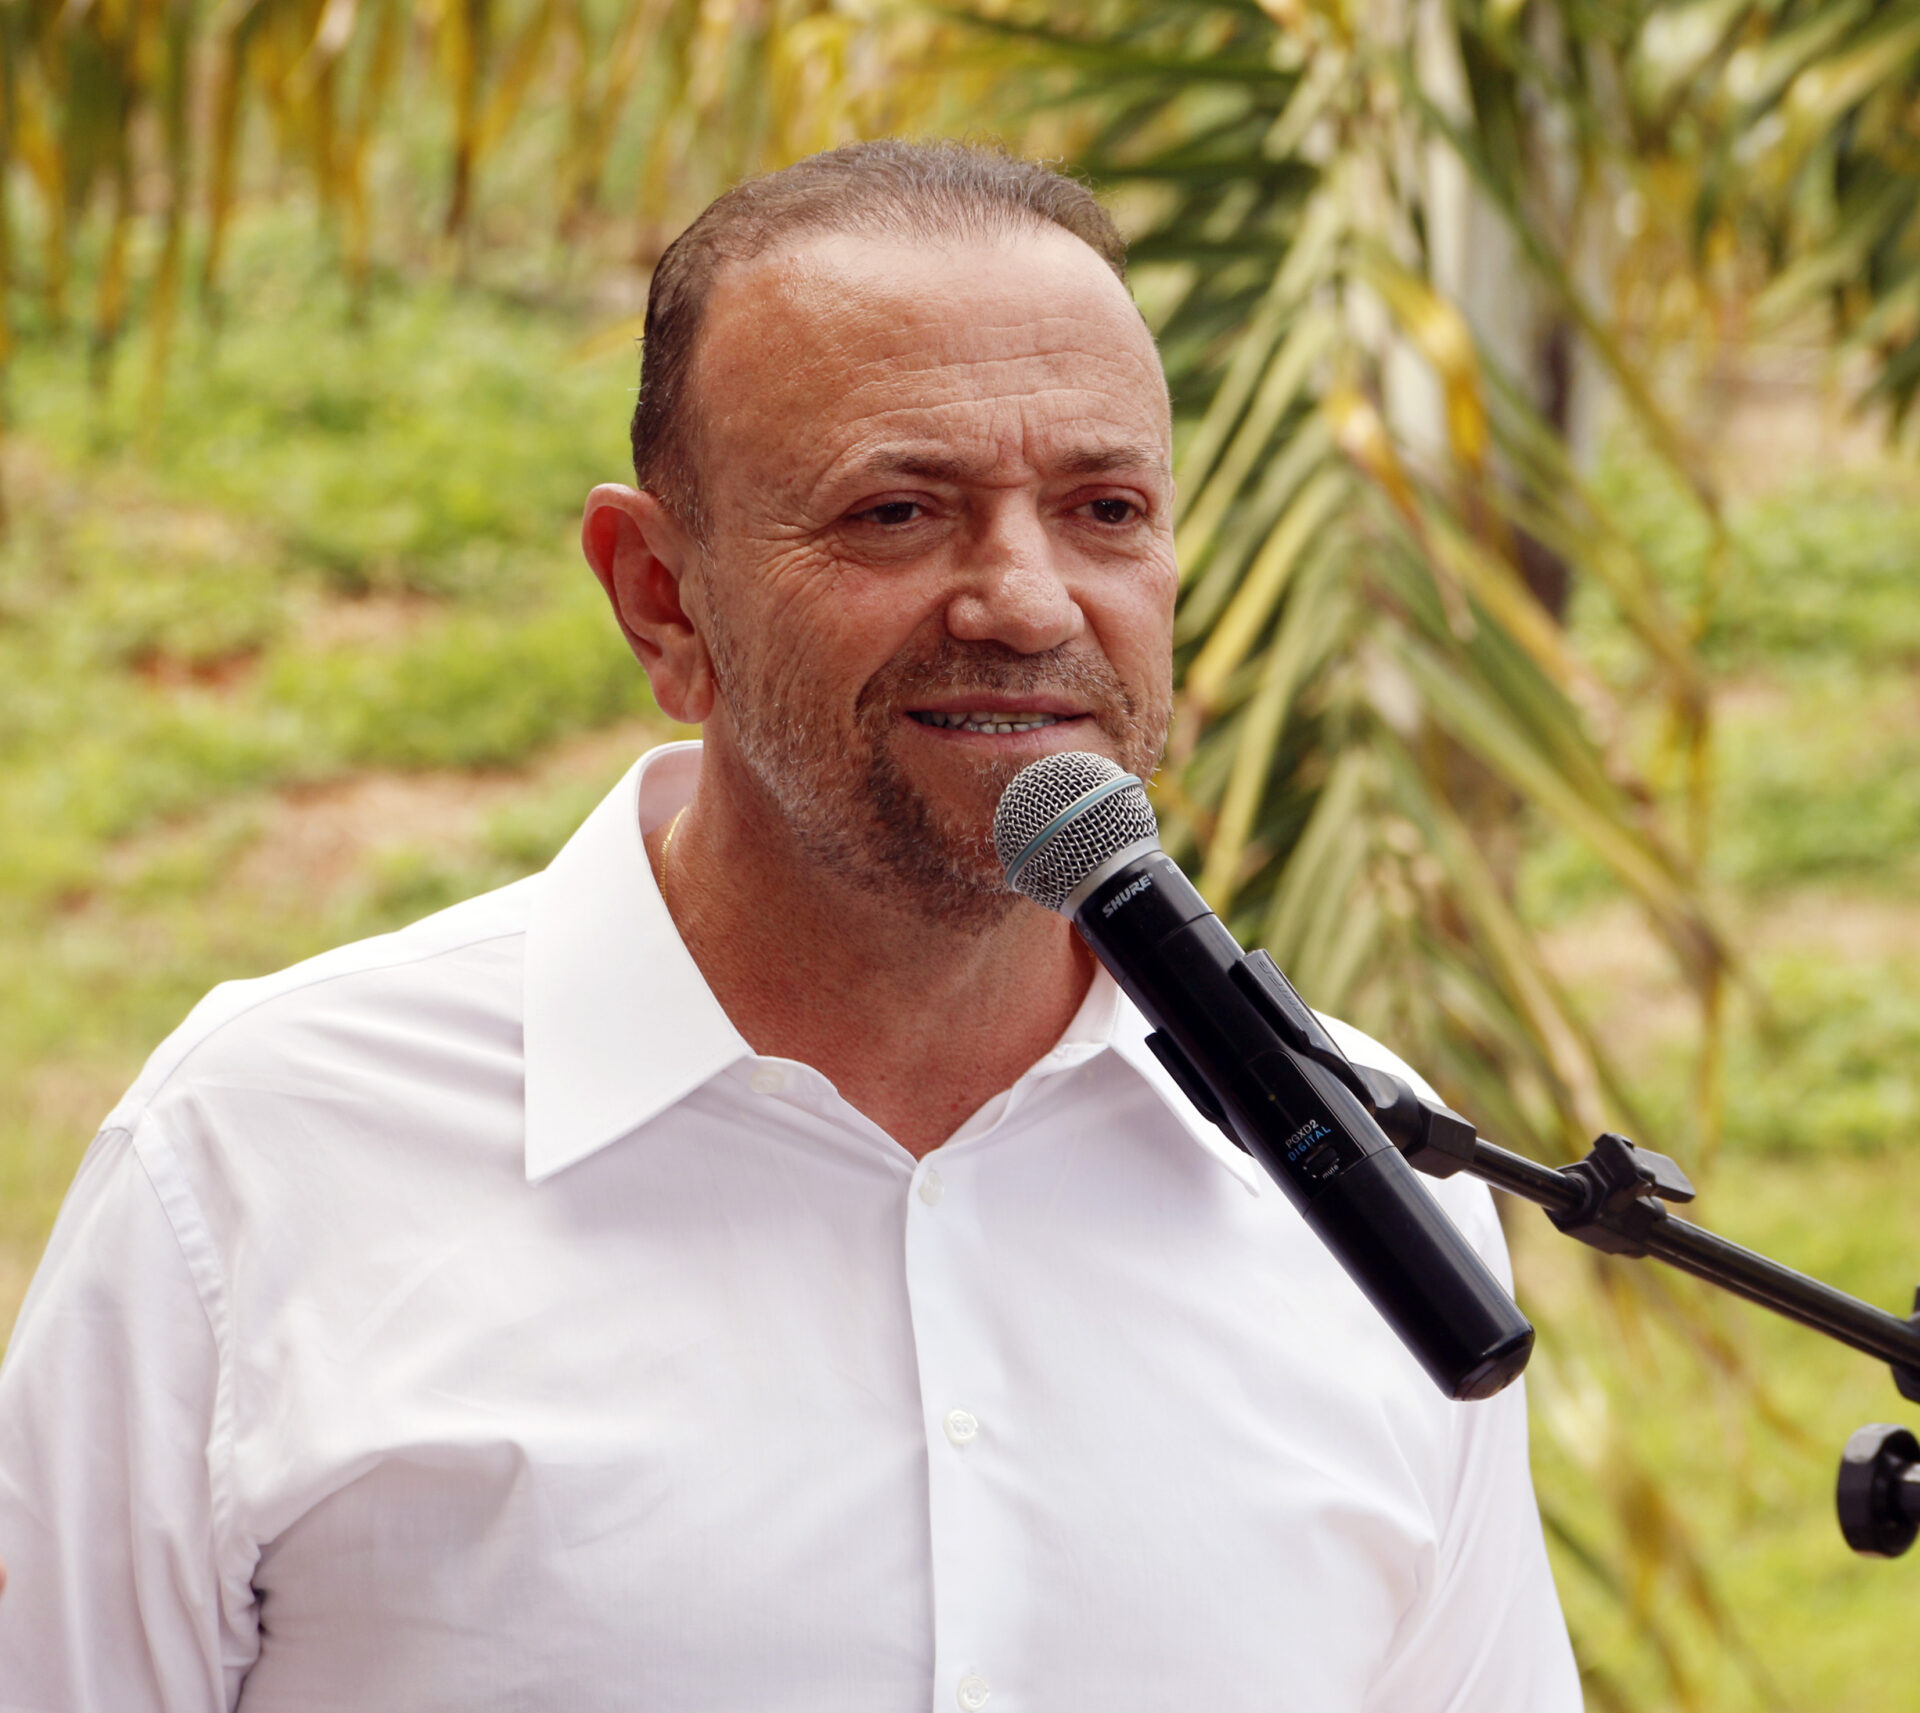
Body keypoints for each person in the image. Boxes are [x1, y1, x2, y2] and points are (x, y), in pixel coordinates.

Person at [0, 141, 1581, 1710]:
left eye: (1104, 507)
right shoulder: (259, 1158)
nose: (1027, 601)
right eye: (897, 513)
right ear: (659, 599)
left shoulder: (1362, 1176)